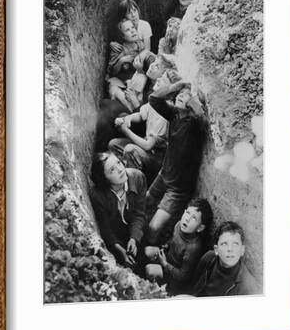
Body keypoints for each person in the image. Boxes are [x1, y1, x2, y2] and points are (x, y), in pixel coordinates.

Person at [146, 80, 207, 245]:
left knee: (154, 227)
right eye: (180, 94)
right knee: (145, 205)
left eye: (187, 95)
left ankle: (148, 254)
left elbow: (201, 118)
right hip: (163, 175)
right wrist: (178, 85)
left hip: (178, 189)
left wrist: (191, 99)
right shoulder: (174, 113)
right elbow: (154, 99)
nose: (182, 96)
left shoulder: (194, 124)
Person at [108, 74, 170, 186]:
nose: (159, 79)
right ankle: (125, 174)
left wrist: (126, 131)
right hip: (146, 148)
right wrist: (126, 119)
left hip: (156, 158)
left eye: (163, 80)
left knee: (130, 149)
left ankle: (135, 185)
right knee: (113, 144)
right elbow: (141, 115)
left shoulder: (164, 114)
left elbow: (148, 145)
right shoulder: (154, 101)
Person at [89, 152, 147, 268]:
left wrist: (134, 238)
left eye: (118, 163)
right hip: (114, 236)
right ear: (104, 178)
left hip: (134, 228)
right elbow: (105, 228)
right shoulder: (98, 195)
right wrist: (119, 249)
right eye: (112, 170)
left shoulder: (137, 177)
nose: (120, 169)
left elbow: (139, 214)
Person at [144, 199, 213, 295]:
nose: (187, 219)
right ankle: (150, 278)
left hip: (175, 279)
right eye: (188, 213)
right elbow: (172, 240)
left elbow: (182, 277)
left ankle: (157, 290)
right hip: (167, 260)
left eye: (194, 218)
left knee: (149, 269)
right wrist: (165, 247)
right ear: (184, 212)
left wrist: (164, 264)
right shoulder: (178, 225)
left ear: (200, 228)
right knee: (147, 251)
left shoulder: (193, 248)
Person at [191, 221, 259, 296]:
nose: (230, 249)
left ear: (242, 250)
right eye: (224, 244)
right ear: (216, 250)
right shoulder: (208, 258)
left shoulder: (247, 287)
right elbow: (194, 286)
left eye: (235, 244)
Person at [107, 19, 146, 112]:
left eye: (133, 28)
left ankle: (136, 105)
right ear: (122, 36)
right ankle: (130, 108)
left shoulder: (140, 45)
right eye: (127, 30)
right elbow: (112, 72)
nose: (132, 31)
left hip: (135, 80)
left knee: (141, 79)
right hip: (120, 80)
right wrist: (121, 61)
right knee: (112, 87)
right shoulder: (118, 49)